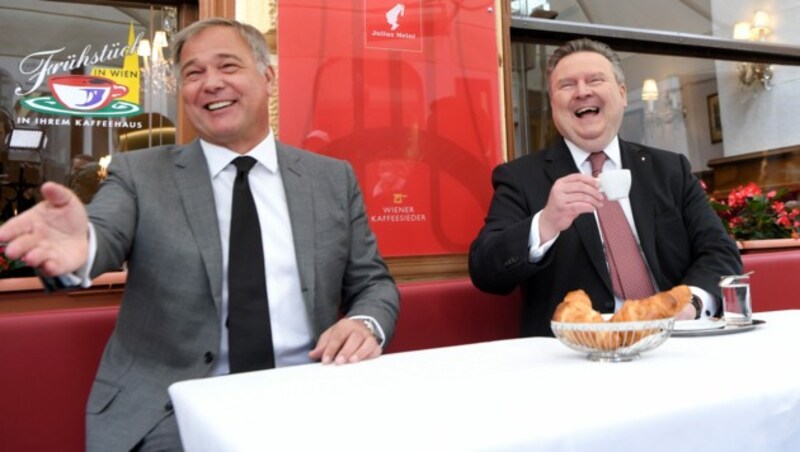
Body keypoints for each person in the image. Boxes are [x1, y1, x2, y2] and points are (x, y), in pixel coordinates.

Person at [0, 18, 399, 451]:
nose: (210, 83)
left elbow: (373, 283)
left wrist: (365, 323)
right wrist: (81, 251)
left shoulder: (330, 179)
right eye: (193, 73)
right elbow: (102, 234)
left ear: (267, 77)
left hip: (308, 395)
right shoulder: (140, 173)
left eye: (227, 66)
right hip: (171, 411)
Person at [468, 38, 742, 337]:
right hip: (575, 356)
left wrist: (688, 306)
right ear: (552, 104)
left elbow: (720, 251)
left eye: (595, 80)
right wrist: (544, 224)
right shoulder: (520, 177)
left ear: (622, 94)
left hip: (675, 342)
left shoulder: (670, 169)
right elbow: (485, 272)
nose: (583, 91)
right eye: (567, 85)